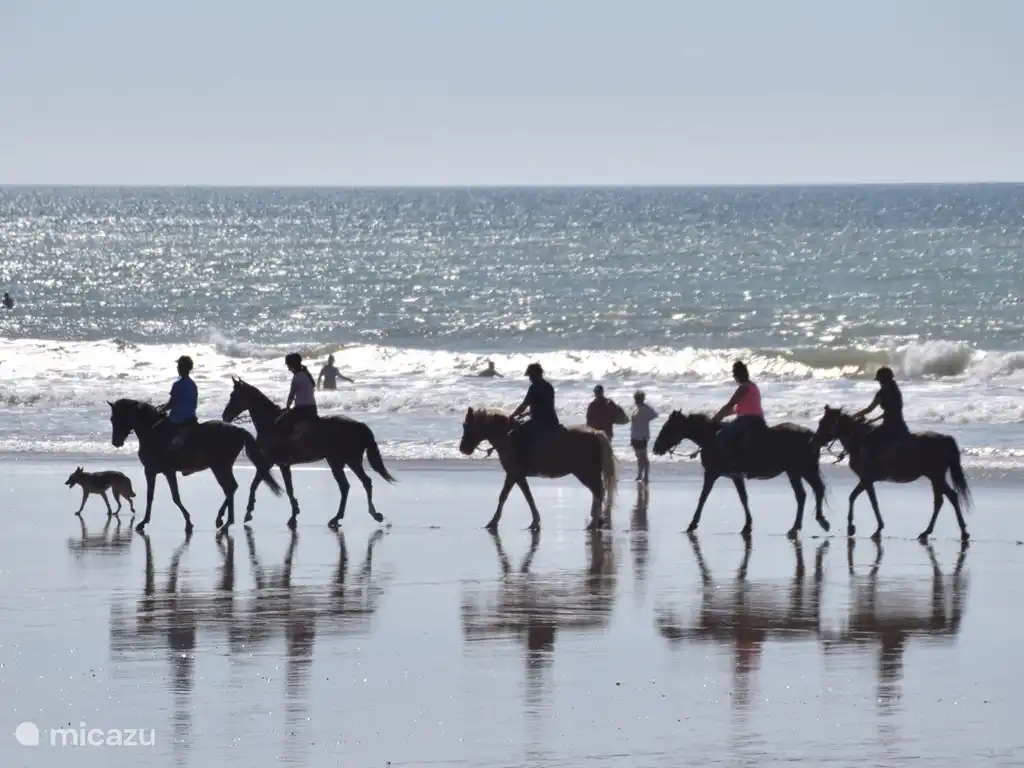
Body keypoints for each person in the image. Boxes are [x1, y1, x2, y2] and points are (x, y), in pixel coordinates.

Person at [853, 366, 910, 472]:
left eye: (880, 380)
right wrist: (875, 419)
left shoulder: (882, 393)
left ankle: (876, 468)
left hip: (889, 425)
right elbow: (893, 411)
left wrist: (854, 416)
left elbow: (869, 409)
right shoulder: (896, 390)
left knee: (868, 440)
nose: (879, 383)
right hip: (900, 424)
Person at [711, 360, 766, 471]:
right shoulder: (753, 386)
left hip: (748, 420)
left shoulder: (743, 387)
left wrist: (715, 419)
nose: (733, 377)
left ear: (737, 375)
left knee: (722, 435)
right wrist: (721, 416)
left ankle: (733, 465)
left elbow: (730, 405)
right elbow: (738, 409)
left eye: (734, 374)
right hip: (758, 419)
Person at [508, 362, 559, 467]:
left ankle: (523, 463)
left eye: (531, 375)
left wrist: (512, 416)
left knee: (514, 435)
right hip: (552, 421)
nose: (530, 378)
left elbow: (524, 405)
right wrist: (526, 414)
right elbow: (545, 407)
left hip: (539, 422)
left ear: (536, 374)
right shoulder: (549, 386)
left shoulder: (534, 388)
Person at [269, 353, 319, 461]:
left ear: (293, 365)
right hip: (312, 409)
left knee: (278, 423)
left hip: (302, 410)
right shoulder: (306, 374)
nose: (288, 369)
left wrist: (287, 407)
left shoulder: (297, 377)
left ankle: (286, 453)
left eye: (288, 366)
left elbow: (291, 395)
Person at [160, 355, 199, 451]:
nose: (177, 368)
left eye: (178, 366)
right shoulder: (193, 385)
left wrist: (160, 410)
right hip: (191, 418)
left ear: (181, 368)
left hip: (177, 419)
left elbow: (171, 404)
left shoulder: (177, 384)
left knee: (158, 430)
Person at [630, 391, 659, 483]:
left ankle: (645, 476)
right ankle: (639, 475)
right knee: (639, 456)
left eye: (636, 398)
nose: (635, 400)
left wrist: (646, 419)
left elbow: (655, 415)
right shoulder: (636, 408)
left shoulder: (645, 408)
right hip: (635, 435)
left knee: (643, 457)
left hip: (642, 436)